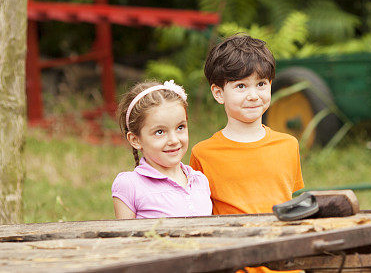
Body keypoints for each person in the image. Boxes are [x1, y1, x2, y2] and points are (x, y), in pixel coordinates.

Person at [190, 33, 304, 215]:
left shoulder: (288, 145)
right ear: (219, 93)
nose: (253, 95)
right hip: (231, 241)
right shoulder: (203, 154)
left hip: (279, 239)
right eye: (241, 86)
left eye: (261, 84)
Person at [112, 80, 213, 219]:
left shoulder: (200, 180)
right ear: (135, 140)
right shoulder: (130, 185)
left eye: (180, 127)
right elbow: (123, 238)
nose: (174, 140)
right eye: (160, 132)